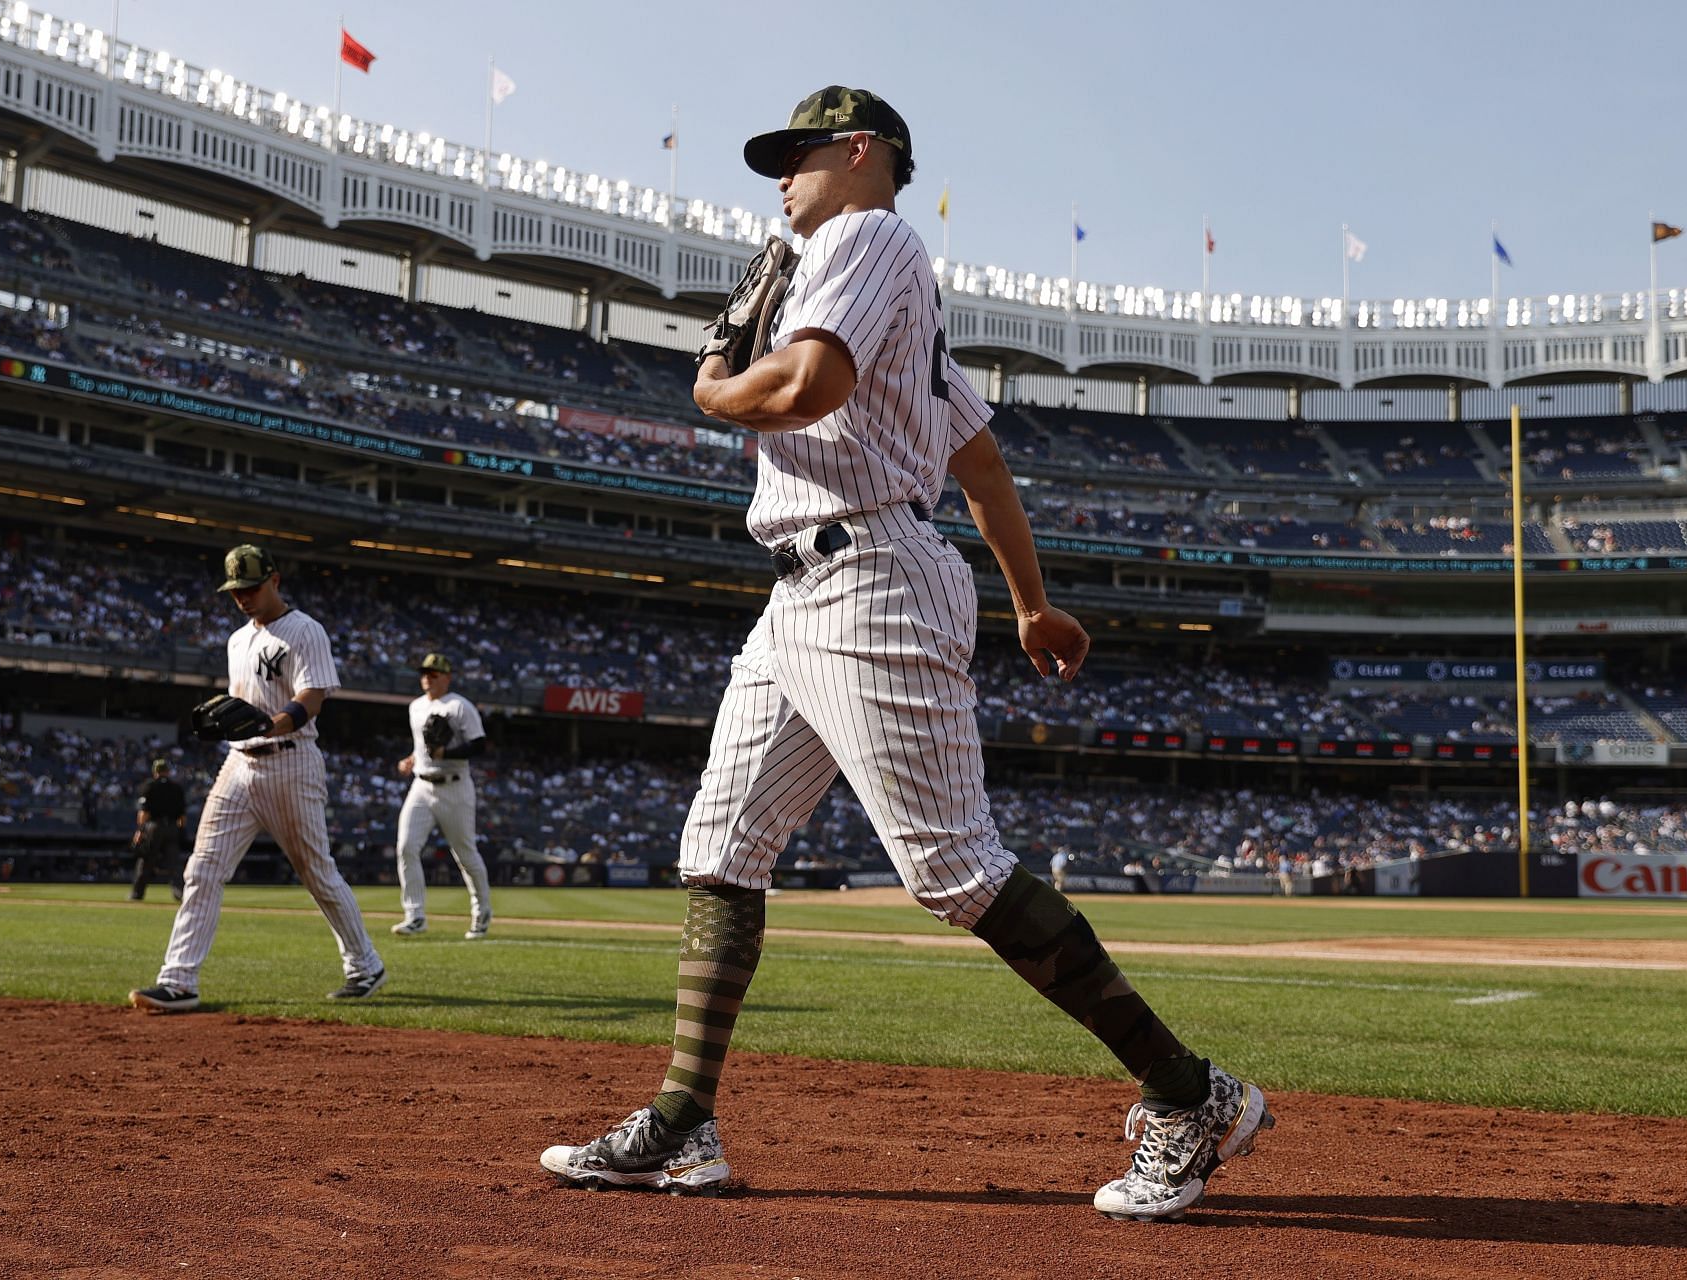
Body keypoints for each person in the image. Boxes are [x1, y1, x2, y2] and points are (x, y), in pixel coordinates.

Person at [539, 87, 1272, 1222]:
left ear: (863, 152)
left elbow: (804, 387)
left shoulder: (866, 237)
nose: (781, 176)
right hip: (803, 593)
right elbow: (978, 461)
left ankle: (1192, 1094)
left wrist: (712, 390)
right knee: (718, 847)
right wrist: (1031, 603)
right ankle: (684, 1123)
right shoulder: (891, 292)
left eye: (799, 154)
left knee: (955, 870)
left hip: (869, 575)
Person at [129, 544, 387, 1012]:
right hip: (238, 764)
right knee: (202, 868)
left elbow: (311, 697)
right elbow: (239, 704)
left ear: (274, 580)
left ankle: (365, 965)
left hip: (292, 760)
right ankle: (179, 981)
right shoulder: (236, 640)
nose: (243, 597)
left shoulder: (304, 631)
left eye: (250, 587)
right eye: (235, 591)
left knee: (317, 874)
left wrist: (273, 722)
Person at [391, 652, 493, 941]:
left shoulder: (460, 706)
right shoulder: (415, 707)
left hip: (455, 786)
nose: (426, 678)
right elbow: (422, 746)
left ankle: (482, 911)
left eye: (433, 674)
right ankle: (414, 915)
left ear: (447, 678)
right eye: (424, 673)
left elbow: (480, 746)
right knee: (406, 847)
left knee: (465, 854)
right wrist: (411, 759)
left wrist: (446, 753)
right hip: (421, 785)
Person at [128, 758, 187, 902]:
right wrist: (179, 830)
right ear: (167, 771)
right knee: (174, 863)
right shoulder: (176, 788)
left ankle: (137, 893)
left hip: (154, 827)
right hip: (172, 827)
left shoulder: (149, 786)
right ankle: (179, 892)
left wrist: (140, 831)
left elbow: (144, 813)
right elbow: (182, 816)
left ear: (155, 772)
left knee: (146, 860)